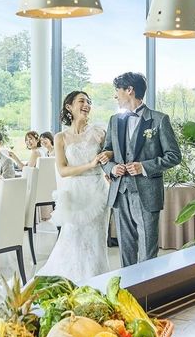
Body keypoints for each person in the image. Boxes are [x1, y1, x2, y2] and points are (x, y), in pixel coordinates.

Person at [101, 72, 181, 266]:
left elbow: (174, 156)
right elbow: (105, 153)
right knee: (125, 250)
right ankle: (127, 284)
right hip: (120, 192)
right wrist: (111, 168)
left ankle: (148, 284)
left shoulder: (159, 119)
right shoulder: (114, 120)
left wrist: (143, 167)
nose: (115, 95)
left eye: (117, 90)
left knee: (148, 251)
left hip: (147, 193)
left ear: (129, 90)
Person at [38, 91, 112, 283]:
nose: (86, 105)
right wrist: (90, 164)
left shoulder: (99, 132)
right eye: (81, 101)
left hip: (97, 192)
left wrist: (108, 157)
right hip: (74, 195)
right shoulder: (60, 137)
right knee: (71, 239)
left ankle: (96, 282)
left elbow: (113, 154)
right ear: (69, 107)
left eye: (89, 102)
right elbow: (63, 170)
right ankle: (68, 283)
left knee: (96, 241)